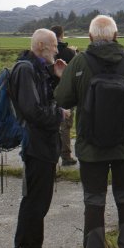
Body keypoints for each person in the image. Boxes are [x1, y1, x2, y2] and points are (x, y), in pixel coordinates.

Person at [55, 15, 124, 248]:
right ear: (116, 35)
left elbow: (63, 98)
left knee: (94, 201)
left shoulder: (78, 62)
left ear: (89, 37)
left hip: (91, 146)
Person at [9, 28, 70, 248]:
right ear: (42, 45)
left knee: (42, 198)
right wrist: (60, 114)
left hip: (45, 143)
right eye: (54, 46)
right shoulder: (25, 69)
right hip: (35, 144)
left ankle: (35, 247)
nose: (57, 50)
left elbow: (45, 98)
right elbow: (32, 110)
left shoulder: (37, 69)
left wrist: (56, 77)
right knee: (33, 199)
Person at [51, 25, 77, 166]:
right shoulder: (69, 53)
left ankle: (51, 154)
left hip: (49, 92)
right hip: (66, 93)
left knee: (50, 123)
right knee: (65, 125)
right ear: (62, 35)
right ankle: (66, 156)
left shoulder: (47, 52)